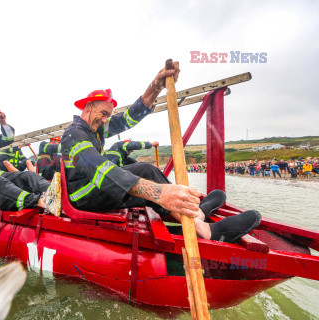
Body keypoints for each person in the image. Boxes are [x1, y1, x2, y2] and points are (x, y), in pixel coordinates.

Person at [61, 63, 261, 243]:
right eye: (103, 114)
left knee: (146, 169)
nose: (106, 120)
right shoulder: (74, 135)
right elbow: (100, 171)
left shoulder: (95, 129)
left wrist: (156, 85)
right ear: (88, 107)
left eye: (108, 116)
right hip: (82, 196)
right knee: (145, 173)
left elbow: (129, 117)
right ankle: (205, 230)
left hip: (93, 188)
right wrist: (158, 193)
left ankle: (195, 212)